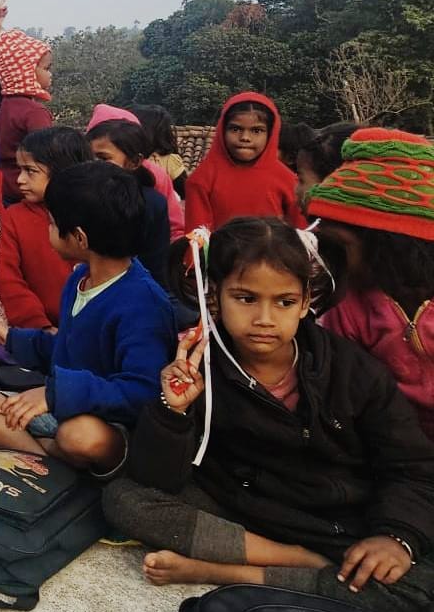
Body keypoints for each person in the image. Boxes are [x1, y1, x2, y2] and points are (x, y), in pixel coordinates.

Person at [103, 216, 434, 612]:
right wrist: (174, 411)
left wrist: (395, 537)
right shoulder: (199, 367)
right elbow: (159, 479)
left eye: (284, 302)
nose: (264, 318)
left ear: (306, 301)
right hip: (246, 514)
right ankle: (296, 563)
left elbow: (412, 467)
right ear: (214, 296)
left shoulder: (353, 371)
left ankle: (224, 572)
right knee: (123, 498)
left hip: (335, 524)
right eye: (245, 298)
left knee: (416, 590)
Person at [0, 161, 175, 474]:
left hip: (110, 424)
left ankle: (48, 456)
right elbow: (65, 346)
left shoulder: (144, 304)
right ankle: (49, 462)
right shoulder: (79, 279)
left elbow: (142, 392)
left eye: (51, 223)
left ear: (79, 238)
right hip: (60, 405)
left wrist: (56, 394)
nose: (48, 229)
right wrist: (11, 338)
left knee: (79, 436)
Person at [308, 128, 434, 440]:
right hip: (394, 440)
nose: (328, 261)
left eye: (339, 248)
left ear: (387, 244)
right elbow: (347, 393)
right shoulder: (347, 308)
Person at [0, 127, 90, 331]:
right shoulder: (14, 217)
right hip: (36, 328)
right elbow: (8, 279)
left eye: (30, 171)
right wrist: (40, 326)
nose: (20, 179)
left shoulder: (93, 213)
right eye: (20, 170)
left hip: (91, 327)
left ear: (62, 171)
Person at [184, 91, 304, 230]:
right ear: (222, 130)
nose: (245, 137)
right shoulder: (202, 179)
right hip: (219, 245)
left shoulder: (289, 181)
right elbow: (196, 235)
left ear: (271, 133)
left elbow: (301, 234)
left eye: (256, 131)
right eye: (235, 129)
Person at [86, 119, 173, 286]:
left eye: (103, 158)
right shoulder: (80, 197)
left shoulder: (152, 203)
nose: (92, 165)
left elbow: (156, 265)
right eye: (89, 158)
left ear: (134, 162)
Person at [0, 29, 53, 206]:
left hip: (7, 187)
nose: (50, 74)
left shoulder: (6, 104)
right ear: (26, 72)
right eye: (46, 68)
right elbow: (47, 152)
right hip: (32, 190)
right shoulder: (34, 112)